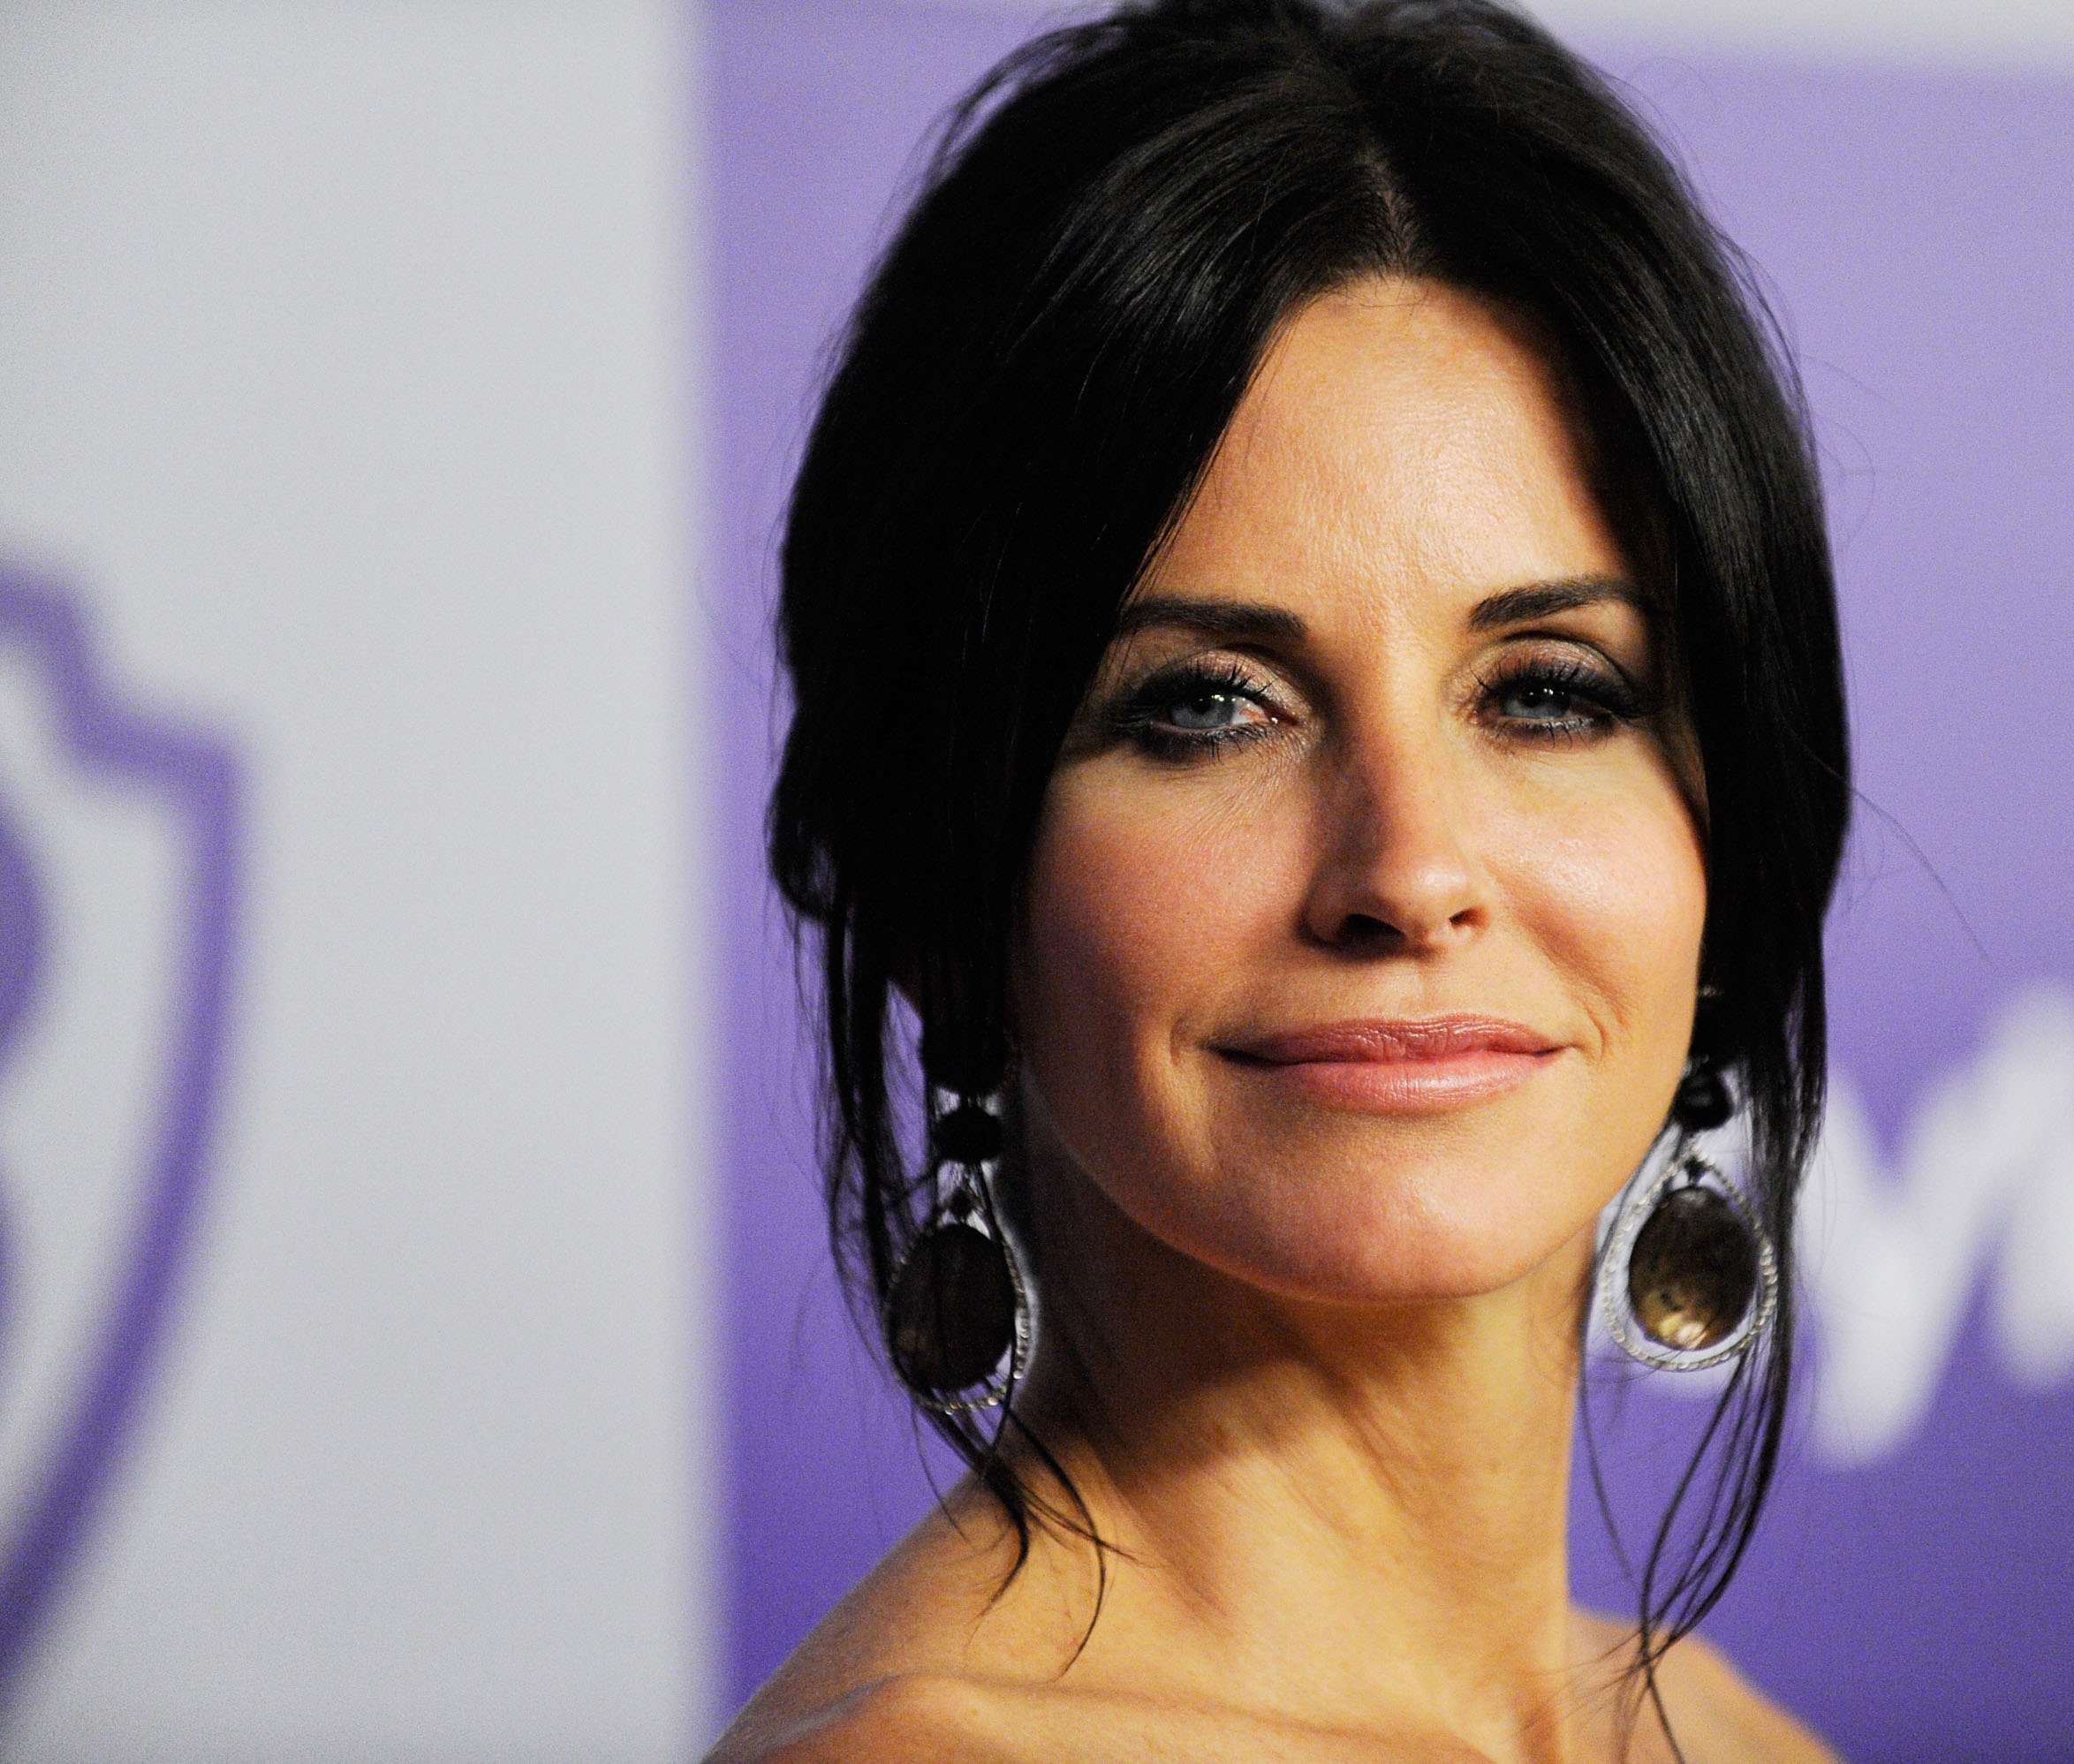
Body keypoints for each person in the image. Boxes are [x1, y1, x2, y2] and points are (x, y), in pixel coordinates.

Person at [711, 0, 1850, 1757]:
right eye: (1204, 710)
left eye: (1552, 692)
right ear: (944, 884)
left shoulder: (1720, 1731)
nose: (1408, 868)